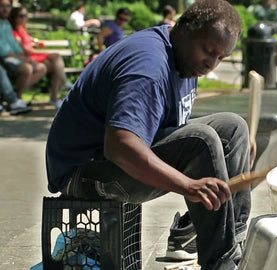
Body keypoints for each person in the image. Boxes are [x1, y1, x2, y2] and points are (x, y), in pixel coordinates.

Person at [46, 1, 253, 270]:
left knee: (233, 128)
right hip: (82, 173)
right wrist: (186, 185)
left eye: (220, 58)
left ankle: (232, 249)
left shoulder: (184, 57)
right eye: (208, 51)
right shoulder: (148, 67)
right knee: (202, 140)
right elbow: (120, 145)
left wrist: (235, 151)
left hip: (109, 162)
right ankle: (220, 264)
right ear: (185, 28)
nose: (210, 64)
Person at [9, 6, 72, 108]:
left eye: (26, 15)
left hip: (34, 55)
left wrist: (36, 41)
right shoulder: (14, 32)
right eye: (21, 16)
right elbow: (25, 49)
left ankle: (55, 97)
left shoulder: (22, 30)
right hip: (29, 56)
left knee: (55, 66)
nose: (24, 18)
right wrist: (43, 51)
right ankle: (63, 84)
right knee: (55, 58)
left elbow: (29, 40)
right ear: (15, 17)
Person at [0, 0, 46, 100]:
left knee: (41, 68)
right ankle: (16, 98)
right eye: (2, 6)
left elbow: (14, 45)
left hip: (13, 57)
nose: (5, 9)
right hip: (4, 59)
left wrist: (22, 56)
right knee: (27, 68)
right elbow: (4, 51)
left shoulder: (6, 24)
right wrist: (22, 57)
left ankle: (15, 96)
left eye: (8, 6)